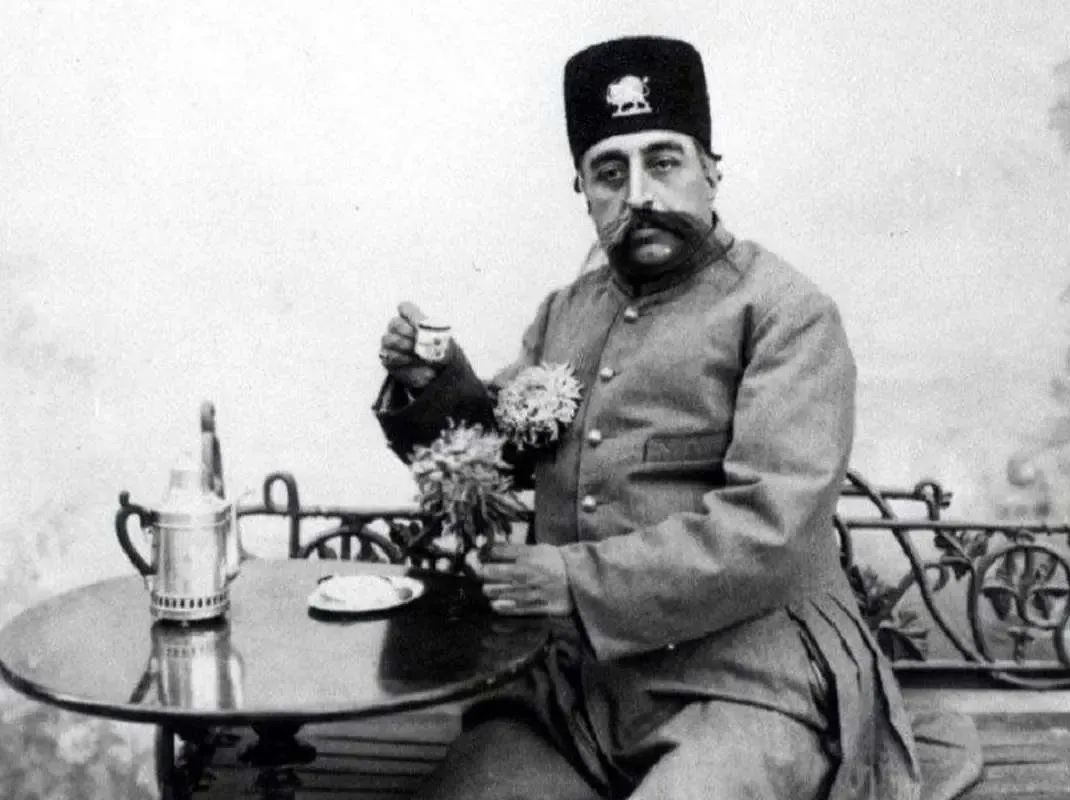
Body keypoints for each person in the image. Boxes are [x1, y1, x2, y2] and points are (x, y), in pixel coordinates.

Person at [374, 35, 923, 800]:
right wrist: (432, 384)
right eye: (610, 172)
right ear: (583, 190)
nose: (639, 194)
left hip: (750, 684)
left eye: (663, 162)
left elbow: (771, 526)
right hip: (579, 693)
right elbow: (498, 455)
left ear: (710, 171)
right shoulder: (567, 311)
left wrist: (574, 582)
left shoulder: (786, 313)